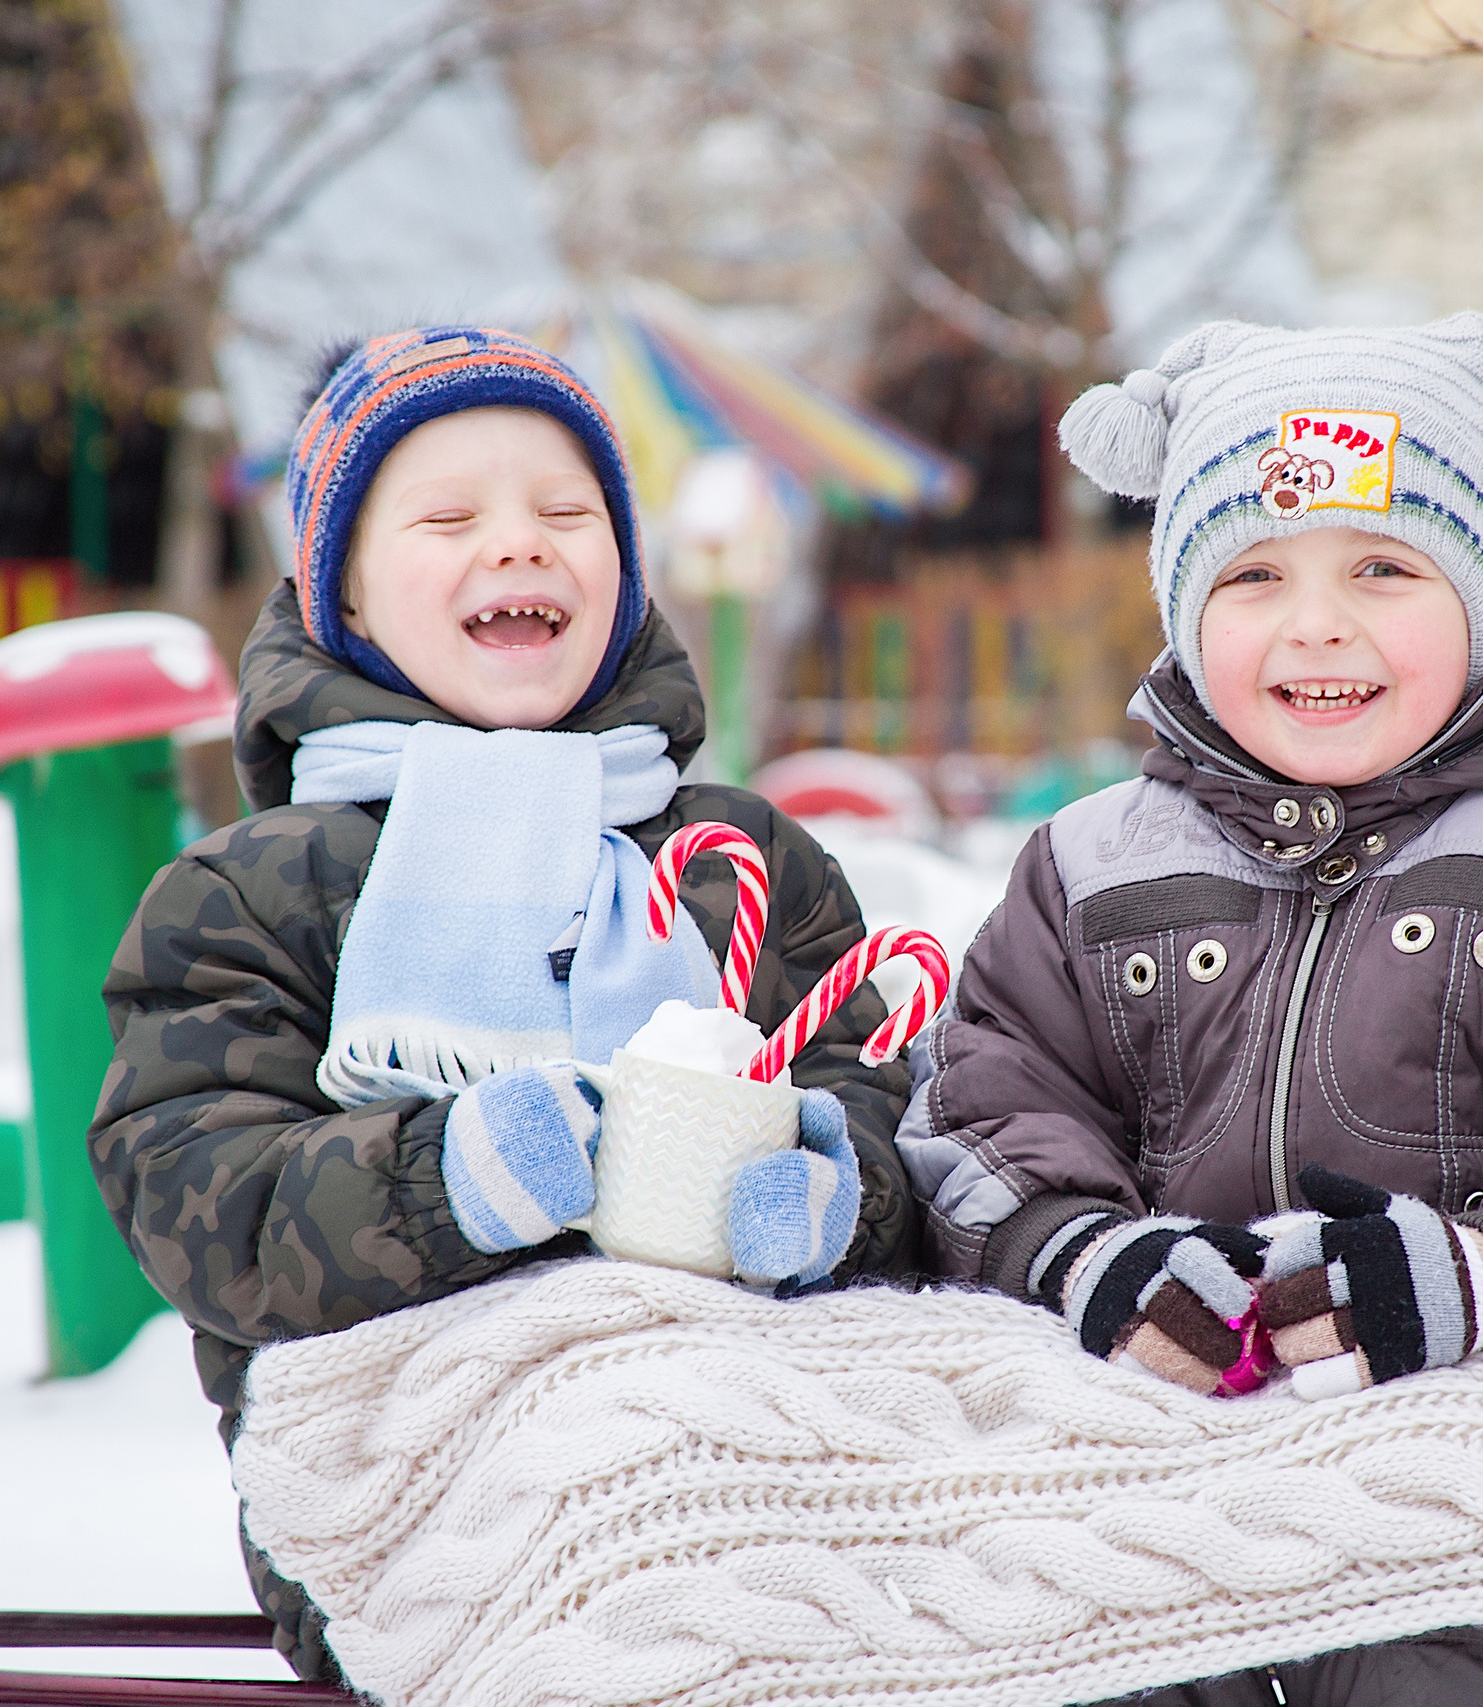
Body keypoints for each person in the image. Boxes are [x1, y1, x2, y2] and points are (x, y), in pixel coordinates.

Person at [896, 313, 1483, 1706]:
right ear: (1189, 614)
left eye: (1384, 567)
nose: (1316, 621)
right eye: (1255, 573)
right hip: (1167, 1466)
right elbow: (986, 1100)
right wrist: (1083, 1256)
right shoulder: (1094, 865)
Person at [89, 327, 913, 1681]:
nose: (521, 545)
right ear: (337, 584)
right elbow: (196, 1198)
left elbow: (882, 1095)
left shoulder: (743, 862)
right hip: (418, 1510)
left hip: (765, 1472)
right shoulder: (257, 890)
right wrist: (450, 1177)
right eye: (451, 516)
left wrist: (843, 1190)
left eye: (566, 512)